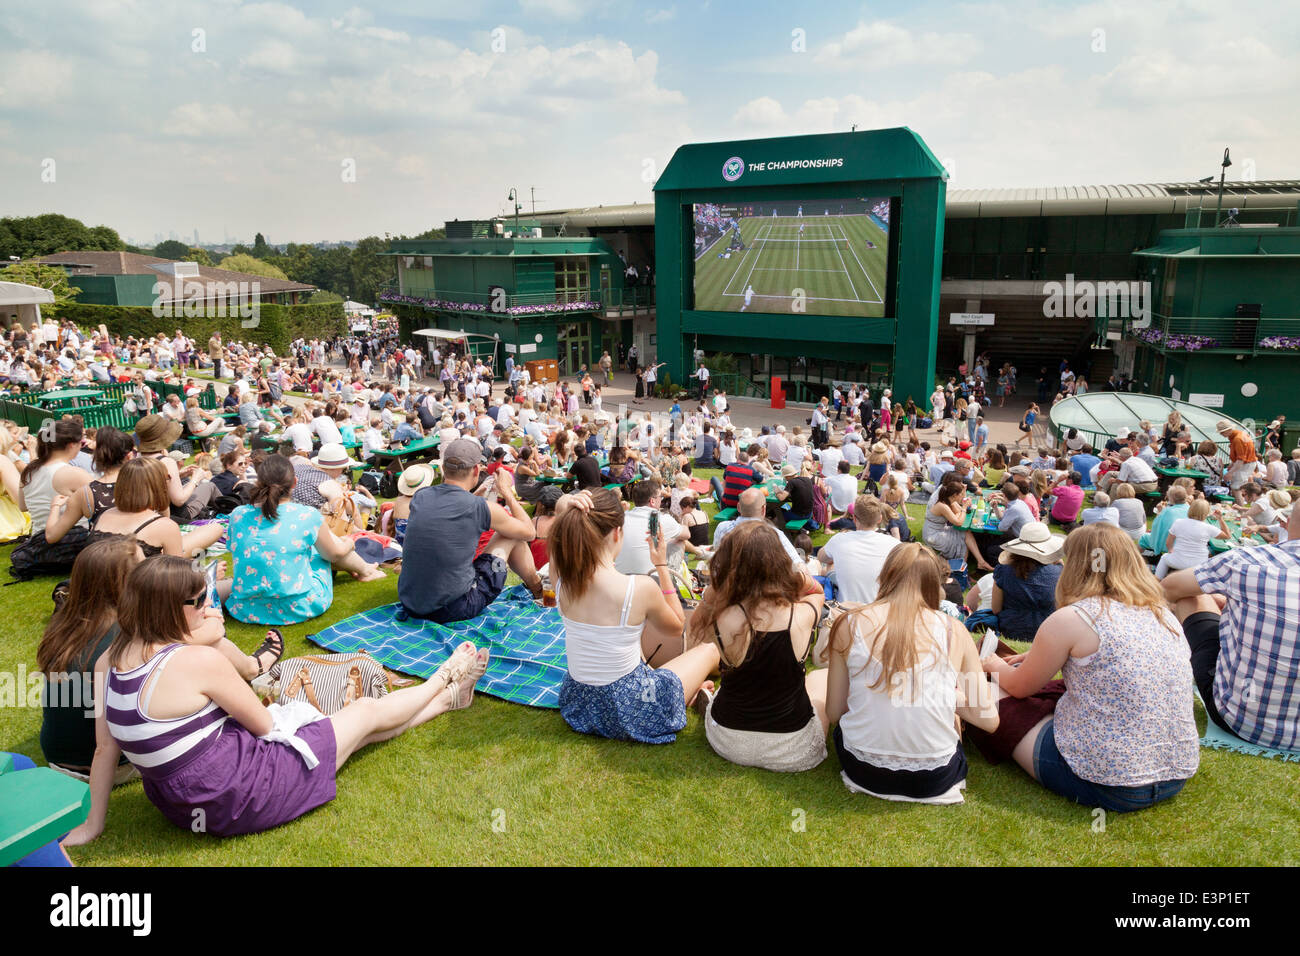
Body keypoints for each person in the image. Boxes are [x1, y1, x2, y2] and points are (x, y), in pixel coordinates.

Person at [63, 556, 489, 844]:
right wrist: (216, 641)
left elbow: (105, 749)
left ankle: (447, 700)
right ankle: (443, 677)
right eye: (202, 601)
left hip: (181, 804)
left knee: (355, 735)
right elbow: (264, 724)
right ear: (174, 610)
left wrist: (92, 826)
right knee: (362, 712)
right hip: (238, 794)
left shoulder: (110, 658)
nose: (211, 605)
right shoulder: (195, 660)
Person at [977, 524, 1199, 812]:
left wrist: (992, 664)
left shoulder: (1073, 618)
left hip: (1105, 781)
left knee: (982, 689)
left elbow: (1020, 687)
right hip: (1175, 773)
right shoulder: (1164, 617)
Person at [824, 544, 999, 803]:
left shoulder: (849, 623)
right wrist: (949, 697)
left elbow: (834, 712)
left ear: (886, 575)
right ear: (934, 584)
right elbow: (988, 719)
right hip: (935, 777)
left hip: (862, 768)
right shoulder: (955, 631)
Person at [551, 488, 720, 744]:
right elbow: (677, 627)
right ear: (618, 533)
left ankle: (691, 691)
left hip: (579, 704)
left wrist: (566, 504)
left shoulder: (562, 582)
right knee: (709, 650)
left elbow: (558, 537)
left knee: (651, 669)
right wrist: (661, 565)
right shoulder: (638, 588)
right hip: (632, 708)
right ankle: (700, 694)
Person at [688, 521, 829, 771]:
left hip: (728, 740)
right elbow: (817, 592)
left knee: (735, 679)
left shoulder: (722, 618)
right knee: (820, 679)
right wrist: (797, 577)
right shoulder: (801, 615)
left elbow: (693, 630)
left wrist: (719, 586)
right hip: (791, 747)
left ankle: (711, 699)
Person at [1162, 504, 1300, 751]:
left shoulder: (1248, 561)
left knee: (1192, 598)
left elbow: (1170, 588)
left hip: (1243, 719)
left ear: (1287, 523)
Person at [398, 438, 542, 623]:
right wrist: (506, 491)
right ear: (475, 470)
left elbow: (451, 508)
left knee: (511, 534)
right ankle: (538, 590)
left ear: (443, 467)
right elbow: (529, 532)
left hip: (412, 603)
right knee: (512, 536)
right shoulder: (479, 507)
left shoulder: (421, 497)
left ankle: (538, 589)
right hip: (453, 607)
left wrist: (475, 494)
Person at [227, 455, 384, 625]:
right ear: (294, 482)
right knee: (326, 548)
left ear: (258, 482)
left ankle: (365, 569)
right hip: (299, 607)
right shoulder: (306, 515)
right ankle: (365, 571)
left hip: (246, 608)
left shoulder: (238, 515)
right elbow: (333, 554)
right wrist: (348, 543)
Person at [990, 522, 1064, 642]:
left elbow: (996, 609)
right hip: (1048, 629)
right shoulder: (1058, 572)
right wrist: (1056, 560)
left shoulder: (1003, 571)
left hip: (1010, 629)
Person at [819, 495, 901, 603]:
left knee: (827, 567)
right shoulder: (894, 544)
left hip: (846, 611)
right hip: (879, 609)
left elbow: (821, 557)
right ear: (879, 518)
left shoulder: (839, 540)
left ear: (854, 518)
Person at [923, 480, 994, 572]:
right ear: (955, 495)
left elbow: (959, 514)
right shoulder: (942, 505)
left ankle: (979, 562)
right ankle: (963, 569)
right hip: (933, 535)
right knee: (963, 539)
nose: (963, 496)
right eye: (961, 494)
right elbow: (959, 522)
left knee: (967, 532)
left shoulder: (949, 501)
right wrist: (964, 508)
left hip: (940, 529)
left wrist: (961, 511)